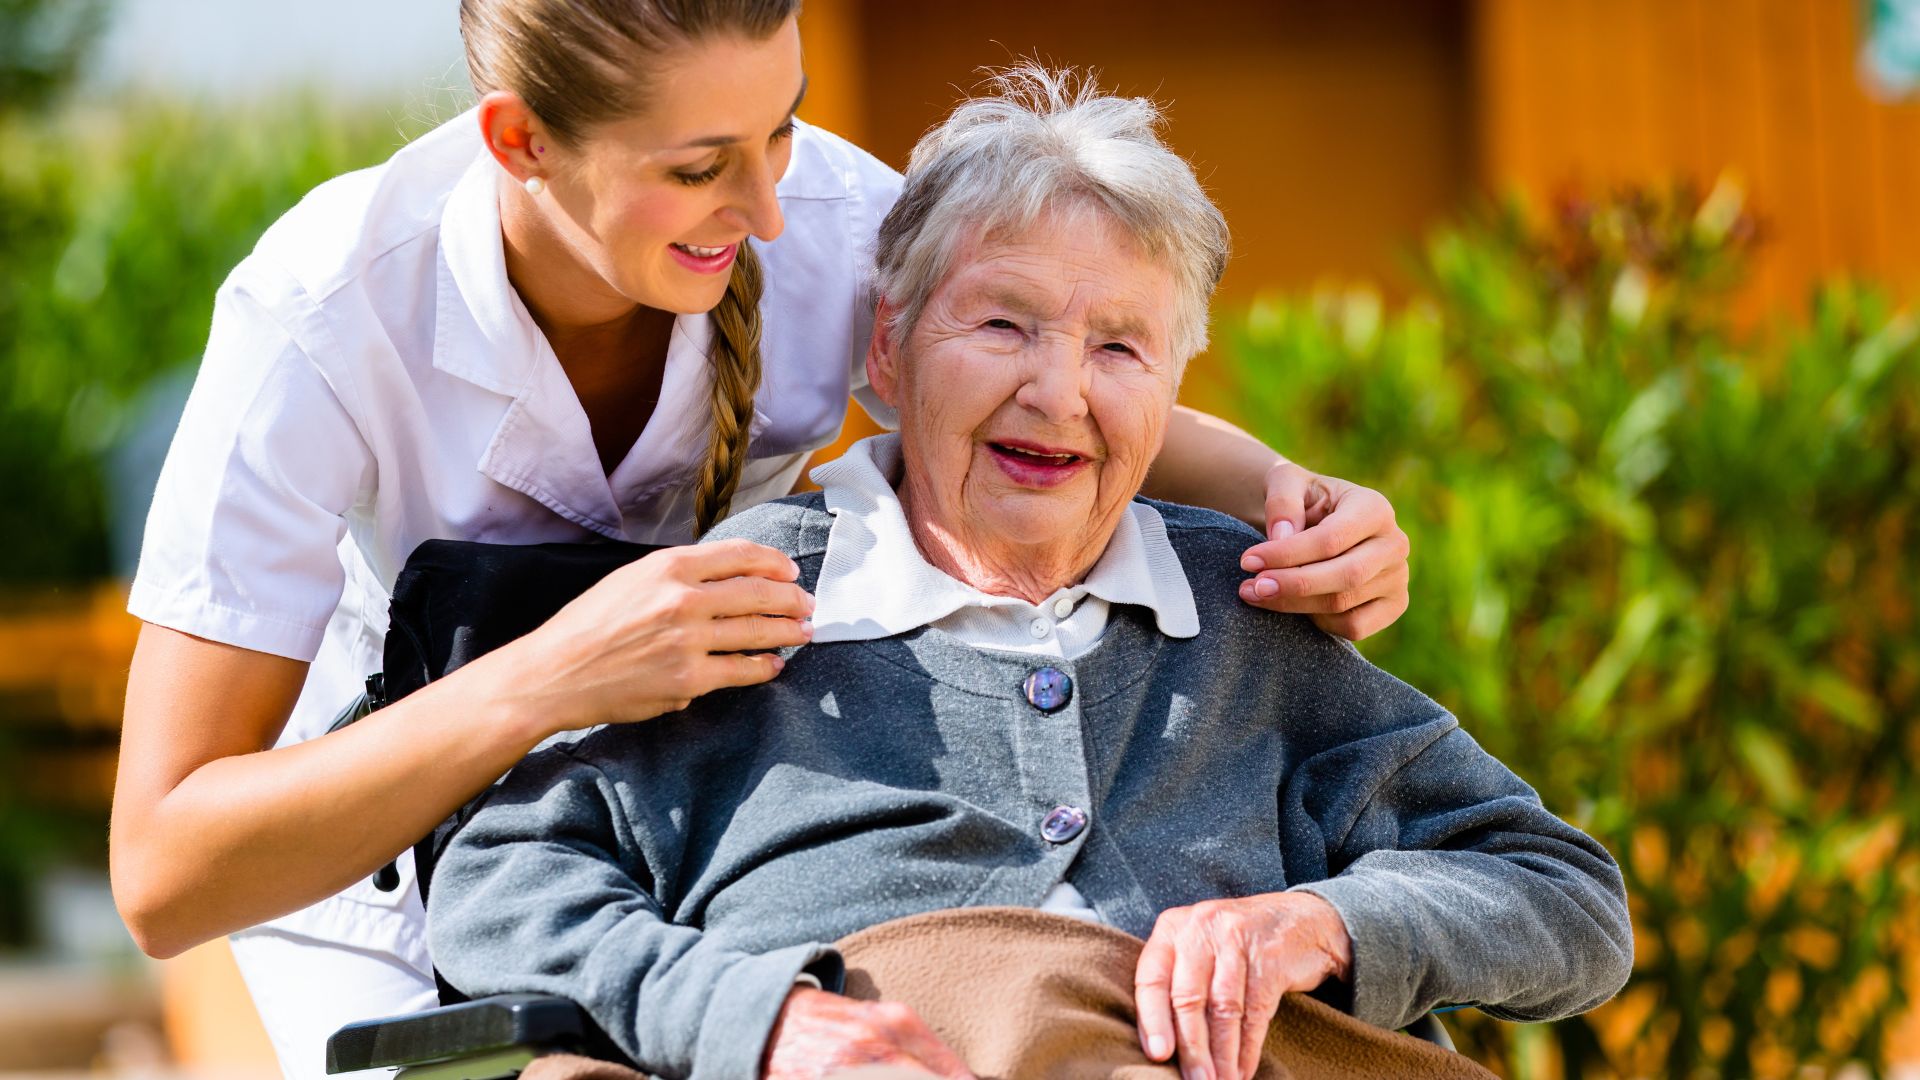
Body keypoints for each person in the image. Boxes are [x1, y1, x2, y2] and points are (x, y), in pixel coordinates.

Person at [108, 3, 1414, 1076]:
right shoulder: (325, 316)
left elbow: (1045, 386)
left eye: (780, 130)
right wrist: (556, 674)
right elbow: (165, 874)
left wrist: (1293, 494)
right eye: (698, 168)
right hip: (389, 858)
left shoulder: (834, 218)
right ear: (521, 142)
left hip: (690, 832)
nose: (770, 212)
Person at [428, 66, 1632, 1080]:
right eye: (1003, 326)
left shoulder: (1245, 611)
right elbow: (499, 886)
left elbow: (1569, 899)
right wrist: (759, 1019)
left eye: (1120, 346)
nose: (1058, 393)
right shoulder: (744, 603)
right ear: (891, 351)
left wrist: (1321, 921)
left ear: (1169, 393)